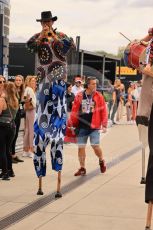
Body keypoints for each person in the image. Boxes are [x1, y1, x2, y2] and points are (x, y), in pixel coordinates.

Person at [27, 11, 75, 197]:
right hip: (43, 85)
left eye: (48, 21)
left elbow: (68, 46)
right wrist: (41, 36)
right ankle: (40, 173)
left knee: (57, 131)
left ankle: (58, 171)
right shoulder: (37, 38)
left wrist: (53, 35)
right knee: (41, 129)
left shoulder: (61, 36)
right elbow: (29, 46)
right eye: (43, 22)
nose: (45, 24)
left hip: (60, 86)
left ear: (52, 22)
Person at [68, 76, 107, 176]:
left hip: (94, 126)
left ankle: (101, 160)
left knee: (95, 146)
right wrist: (71, 124)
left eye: (95, 84)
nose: (95, 86)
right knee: (81, 147)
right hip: (81, 126)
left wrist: (104, 125)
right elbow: (74, 110)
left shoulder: (99, 96)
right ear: (88, 85)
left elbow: (103, 111)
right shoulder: (80, 95)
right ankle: (82, 168)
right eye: (93, 84)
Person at [0, 81, 18, 180]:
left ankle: (5, 173)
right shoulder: (15, 99)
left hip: (2, 127)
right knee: (8, 150)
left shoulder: (3, 99)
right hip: (12, 127)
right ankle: (10, 171)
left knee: (2, 150)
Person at [11, 75, 25, 163]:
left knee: (15, 135)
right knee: (11, 136)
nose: (18, 81)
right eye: (16, 80)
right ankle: (10, 155)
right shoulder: (12, 90)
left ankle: (13, 154)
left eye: (20, 80)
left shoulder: (21, 90)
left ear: (22, 81)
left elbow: (21, 103)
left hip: (18, 115)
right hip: (13, 115)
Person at [23, 75, 36, 157]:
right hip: (31, 110)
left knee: (27, 130)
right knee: (31, 130)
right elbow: (33, 103)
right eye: (33, 81)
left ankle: (25, 150)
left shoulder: (27, 89)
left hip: (28, 111)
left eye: (35, 81)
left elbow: (24, 99)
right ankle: (31, 150)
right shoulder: (30, 89)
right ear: (29, 81)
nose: (34, 82)